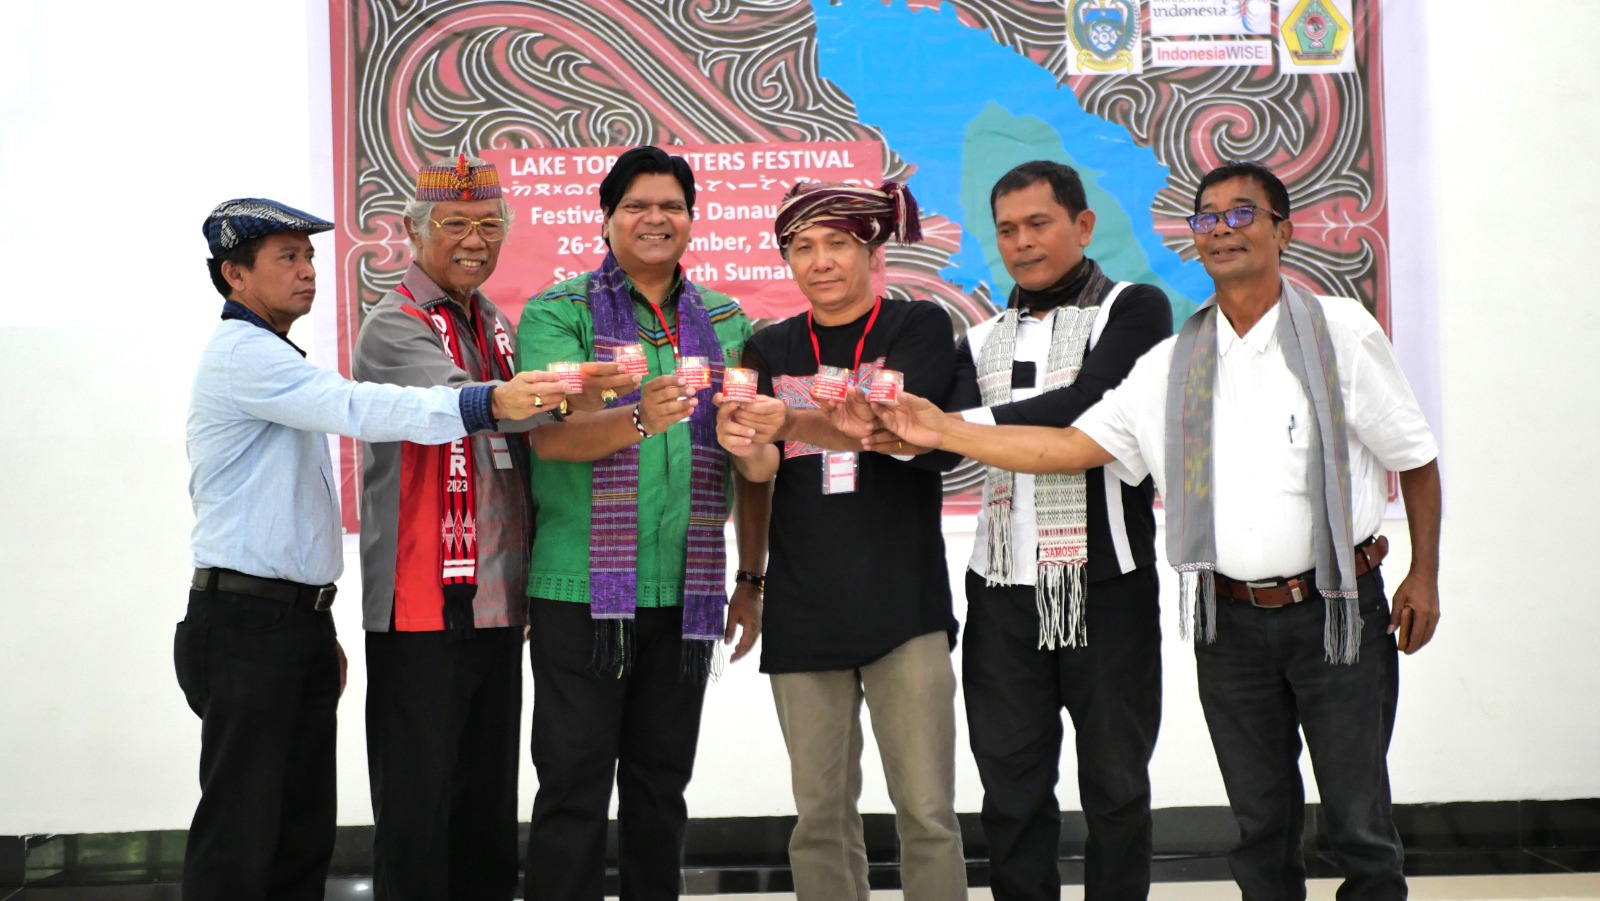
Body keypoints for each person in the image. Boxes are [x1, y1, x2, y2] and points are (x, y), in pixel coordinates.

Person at [876, 161, 1441, 901]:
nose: (1223, 231)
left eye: (1243, 216)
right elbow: (1073, 444)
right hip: (1220, 616)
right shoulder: (1171, 362)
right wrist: (912, 426)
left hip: (1329, 607)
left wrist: (1424, 573)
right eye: (1208, 219)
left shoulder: (1327, 330)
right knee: (1256, 823)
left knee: (1356, 822)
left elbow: (1415, 455)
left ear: (1284, 228)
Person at [178, 198, 562, 901]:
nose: (307, 271)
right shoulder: (246, 356)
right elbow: (362, 408)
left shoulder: (281, 355)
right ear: (234, 274)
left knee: (299, 831)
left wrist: (311, 623)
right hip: (243, 621)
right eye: (286, 258)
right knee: (242, 829)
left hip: (290, 619)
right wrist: (488, 404)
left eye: (309, 256)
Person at [515, 145, 765, 901]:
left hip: (685, 595)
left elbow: (752, 459)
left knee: (661, 790)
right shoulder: (558, 312)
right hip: (579, 591)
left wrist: (751, 578)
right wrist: (637, 417)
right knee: (574, 789)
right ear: (607, 217)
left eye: (671, 206)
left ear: (692, 218)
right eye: (636, 205)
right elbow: (553, 436)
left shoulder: (725, 320)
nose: (655, 219)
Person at [715, 180, 967, 901]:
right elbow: (760, 472)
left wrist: (786, 421)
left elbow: (891, 435)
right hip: (803, 607)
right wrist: (743, 439)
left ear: (870, 248)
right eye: (801, 247)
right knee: (820, 818)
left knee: (926, 813)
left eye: (836, 243)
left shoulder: (916, 327)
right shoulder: (768, 345)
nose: (819, 261)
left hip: (903, 606)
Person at [950, 161, 1172, 901]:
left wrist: (946, 425)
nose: (1022, 242)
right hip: (1001, 592)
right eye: (1006, 229)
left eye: (1038, 223)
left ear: (1082, 225)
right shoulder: (979, 335)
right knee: (1010, 793)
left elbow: (1089, 406)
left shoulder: (1134, 309)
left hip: (1105, 586)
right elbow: (922, 436)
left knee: (1115, 786)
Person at [353, 155, 568, 901]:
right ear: (415, 233)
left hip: (497, 602)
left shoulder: (496, 324)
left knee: (484, 810)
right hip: (420, 605)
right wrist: (574, 390)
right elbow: (464, 405)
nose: (475, 240)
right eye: (455, 225)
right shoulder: (395, 326)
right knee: (419, 811)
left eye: (490, 225)